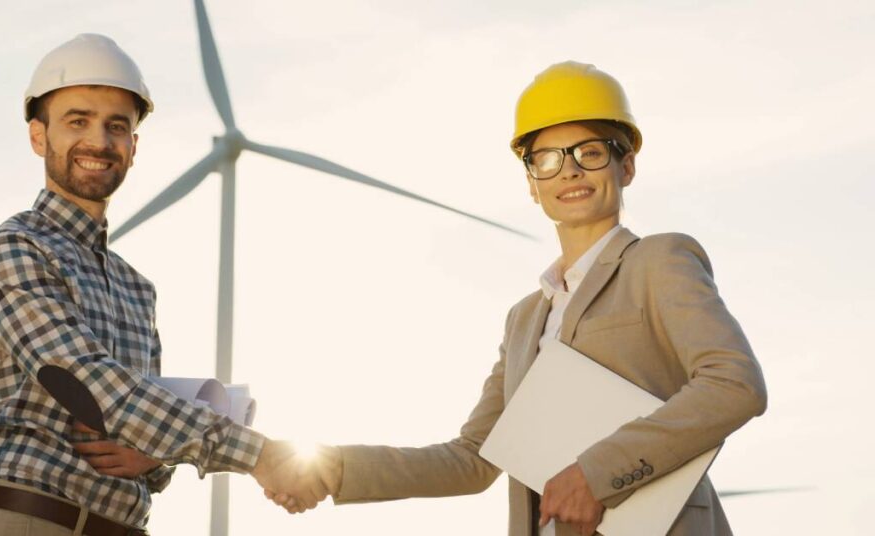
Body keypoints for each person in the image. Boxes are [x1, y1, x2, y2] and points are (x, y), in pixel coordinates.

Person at [256, 61, 768, 535]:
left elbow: (735, 385)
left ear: (626, 166)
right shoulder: (524, 319)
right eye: (547, 159)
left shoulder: (658, 260)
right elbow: (476, 458)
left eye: (589, 153)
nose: (569, 171)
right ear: (530, 182)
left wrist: (597, 472)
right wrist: (331, 466)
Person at [0, 33, 331, 536]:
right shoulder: (14, 252)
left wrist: (154, 453)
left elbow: (145, 449)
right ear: (38, 137)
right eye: (77, 120)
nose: (99, 141)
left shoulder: (136, 288)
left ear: (134, 147)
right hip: (34, 521)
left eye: (117, 126)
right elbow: (90, 387)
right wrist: (260, 456)